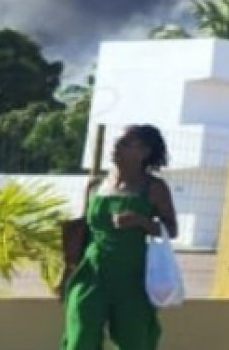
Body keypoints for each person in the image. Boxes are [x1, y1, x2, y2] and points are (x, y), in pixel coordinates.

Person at [62, 125, 178, 350]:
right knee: (80, 338)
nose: (116, 146)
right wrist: (68, 270)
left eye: (125, 143)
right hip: (91, 273)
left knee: (134, 340)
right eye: (117, 142)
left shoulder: (154, 187)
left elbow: (171, 229)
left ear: (144, 152)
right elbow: (84, 229)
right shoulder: (96, 185)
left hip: (132, 277)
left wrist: (141, 221)